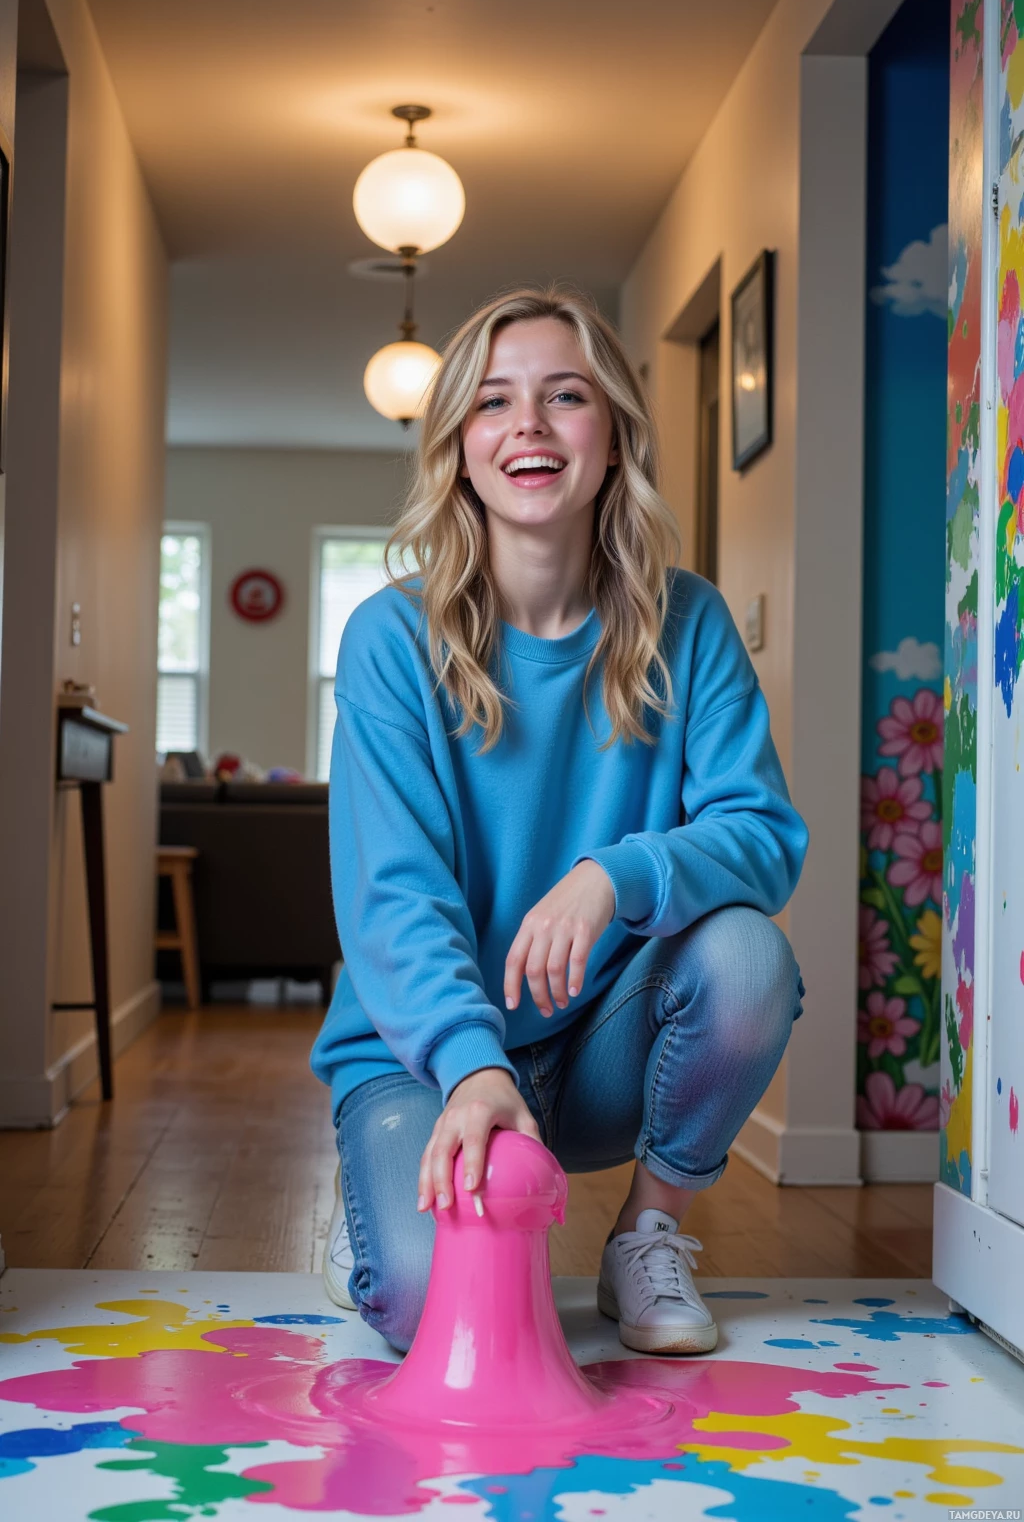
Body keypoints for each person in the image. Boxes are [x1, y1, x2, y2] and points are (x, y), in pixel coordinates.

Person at [310, 285, 808, 1358]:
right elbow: (394, 893)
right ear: (457, 447)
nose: (527, 425)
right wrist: (471, 1065)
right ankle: (480, 1210)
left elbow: (764, 837)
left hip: (598, 1044)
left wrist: (613, 875)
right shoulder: (390, 641)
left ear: (615, 434)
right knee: (425, 1307)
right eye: (492, 402)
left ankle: (648, 1235)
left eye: (564, 395)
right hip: (418, 1054)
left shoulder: (689, 621)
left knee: (746, 957)